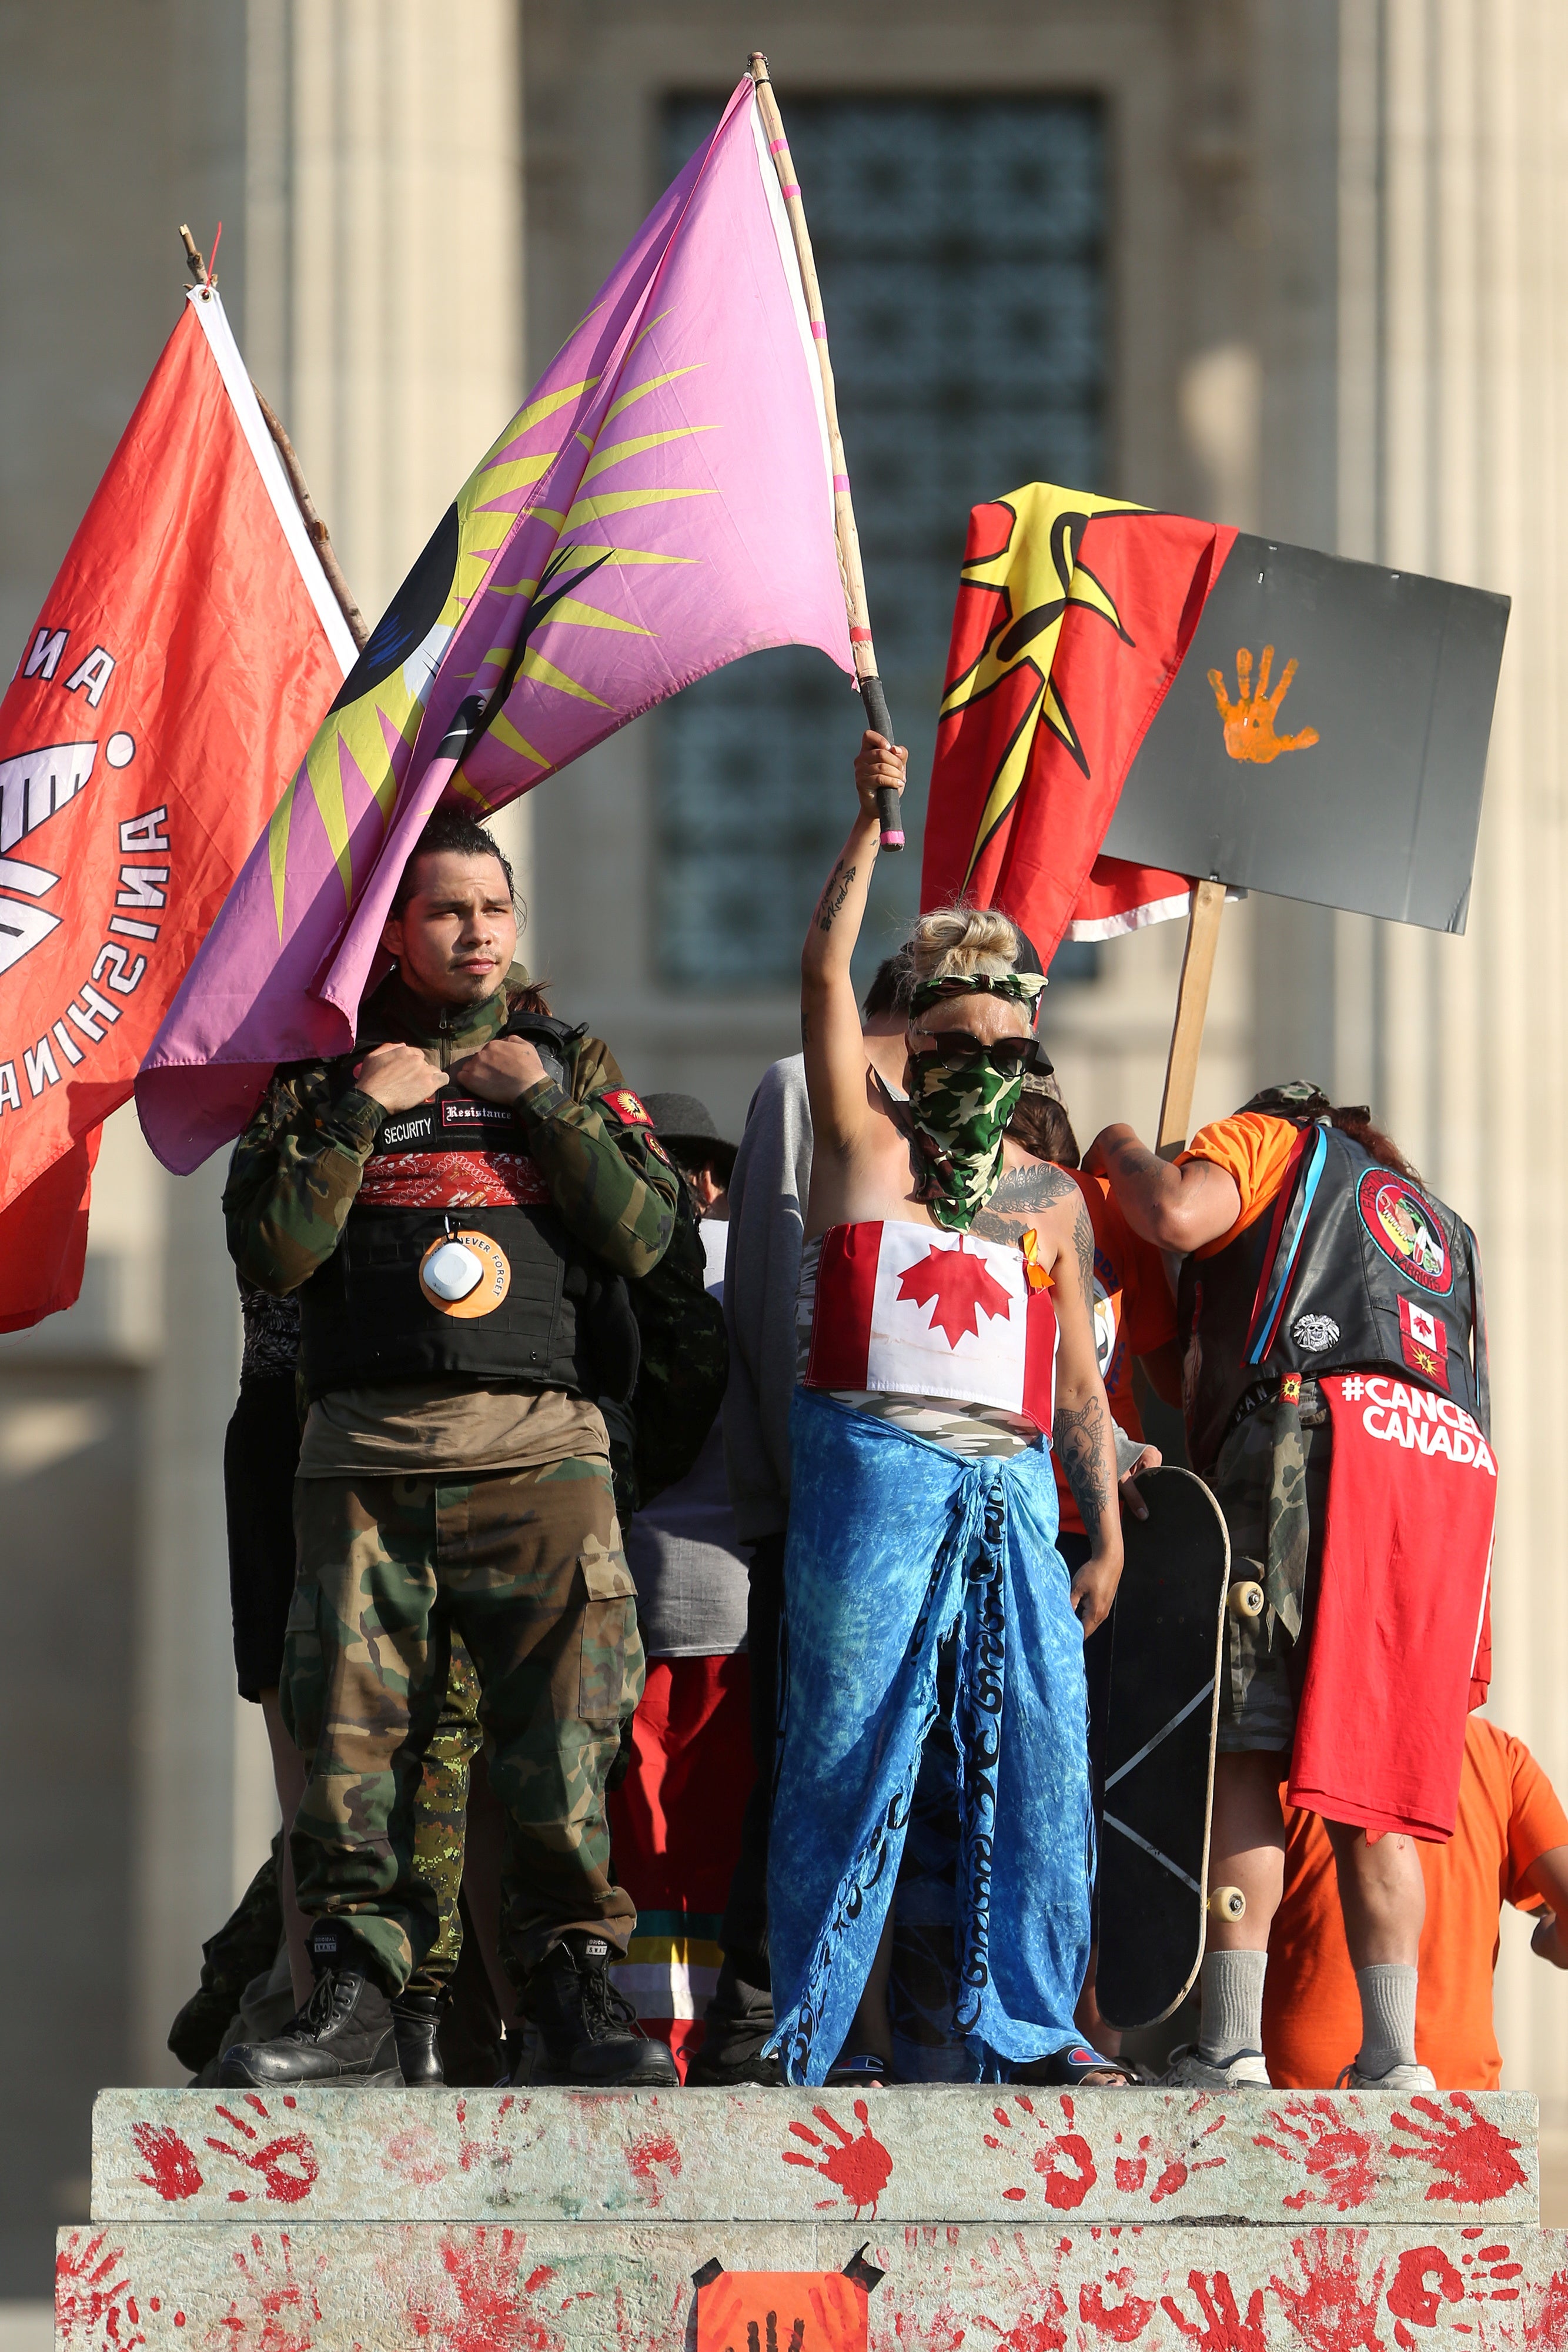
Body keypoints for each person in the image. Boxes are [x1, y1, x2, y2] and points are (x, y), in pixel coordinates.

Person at [216, 805, 682, 2089]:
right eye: (444, 911)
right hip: (362, 1463)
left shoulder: (570, 1063)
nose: (475, 931)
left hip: (541, 1460)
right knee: (353, 1744)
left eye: (492, 907)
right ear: (395, 934)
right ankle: (354, 2000)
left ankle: (570, 1994)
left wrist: (548, 1113)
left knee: (563, 1742)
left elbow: (653, 1241)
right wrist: (363, 1107)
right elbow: (272, 1250)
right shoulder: (319, 1079)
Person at [765, 730, 1128, 2087]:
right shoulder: (865, 1140)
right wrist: (869, 828)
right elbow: (815, 972)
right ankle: (824, 2032)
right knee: (853, 1747)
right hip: (875, 1467)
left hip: (1013, 1489)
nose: (980, 1059)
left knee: (1037, 1757)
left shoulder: (1048, 1199)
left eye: (1005, 1039)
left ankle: (1032, 2021)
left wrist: (1103, 1531)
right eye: (953, 1036)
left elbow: (1077, 1382)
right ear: (912, 1038)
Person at [1088, 1081, 1493, 2093]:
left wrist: (1123, 1150)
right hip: (1439, 1470)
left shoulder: (1272, 1139)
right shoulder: (1438, 1232)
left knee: (1244, 1745)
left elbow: (1176, 1207)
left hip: (1311, 1451)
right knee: (1377, 1792)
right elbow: (1187, 1374)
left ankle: (1228, 2043)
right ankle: (1397, 2058)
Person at [692, 953, 915, 2086]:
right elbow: (785, 1300)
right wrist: (797, 1491)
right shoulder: (802, 1088)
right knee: (806, 1764)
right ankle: (763, 2012)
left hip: (939, 1512)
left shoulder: (992, 1124)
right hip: (827, 1507)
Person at [608, 1093, 754, 2077]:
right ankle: (690, 2042)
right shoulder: (753, 1268)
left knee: (656, 1848)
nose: (698, 1187)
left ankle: (663, 2045)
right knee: (688, 1849)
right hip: (706, 1600)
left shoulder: (603, 1266)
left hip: (672, 1602)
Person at [1263, 1713, 1568, 2089]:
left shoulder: (1285, 1750)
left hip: (1303, 2099)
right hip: (1457, 2095)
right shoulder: (1496, 1756)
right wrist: (1550, 1940)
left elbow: (1219, 1927)